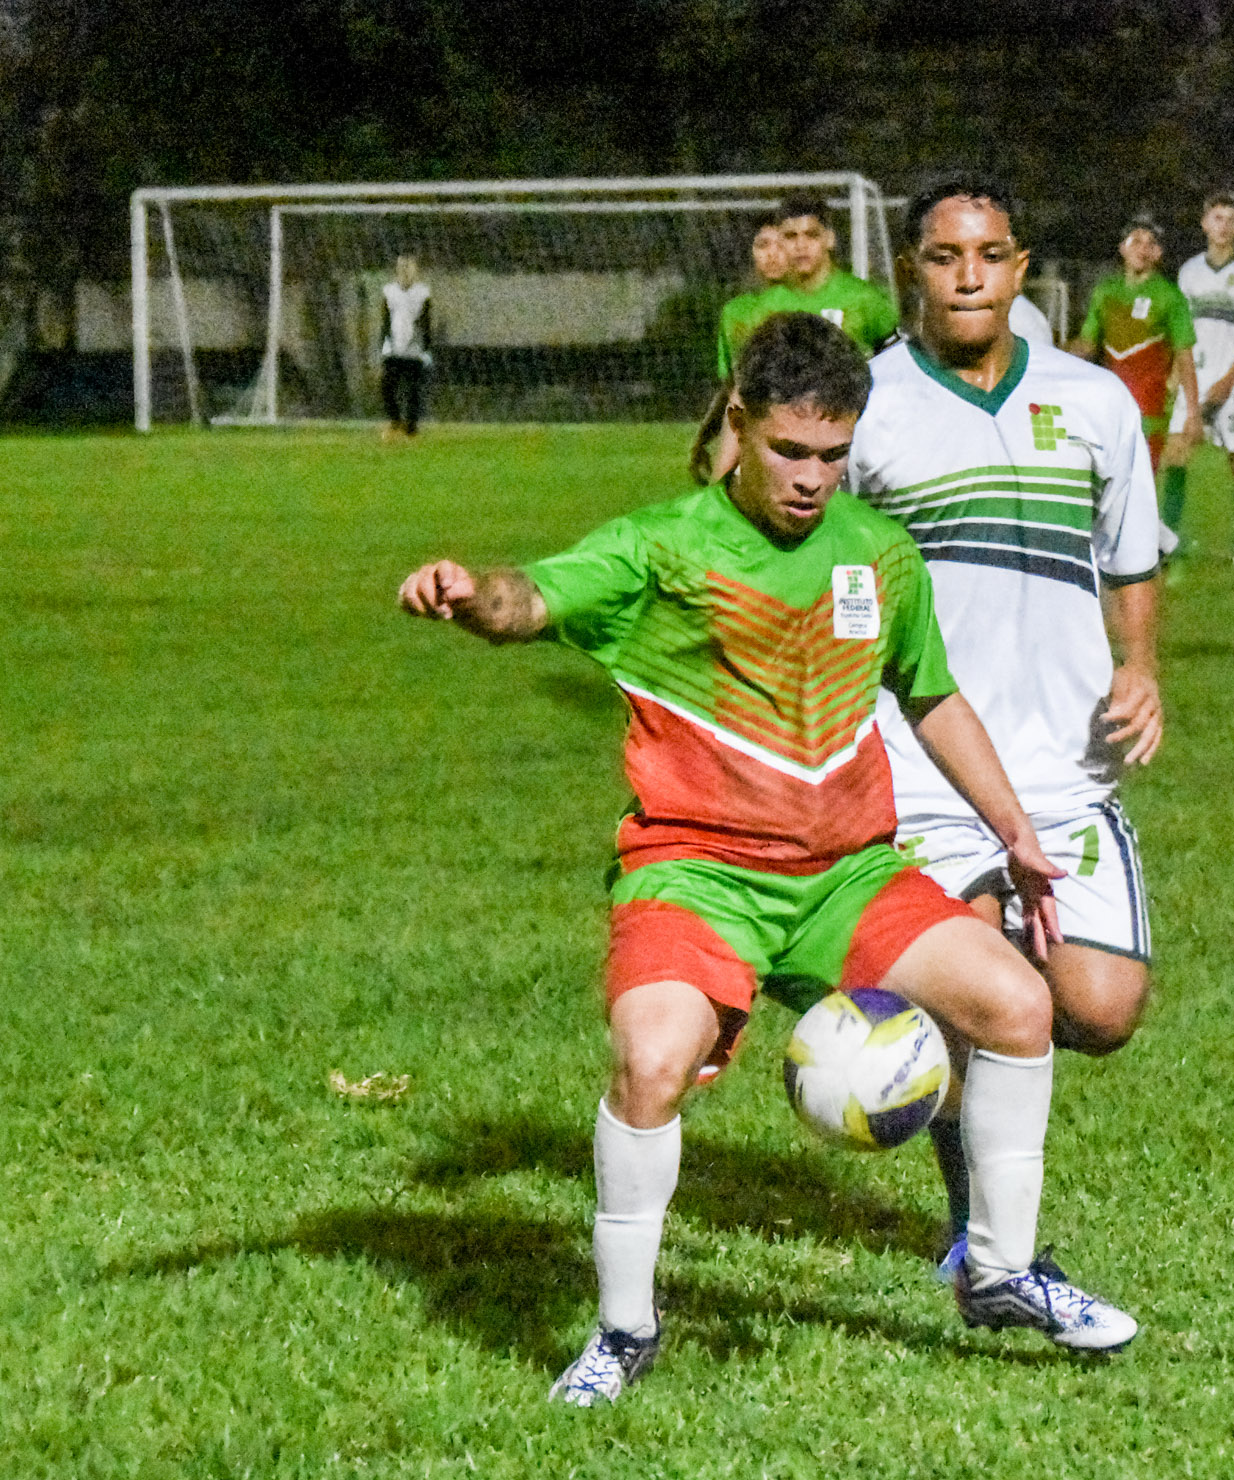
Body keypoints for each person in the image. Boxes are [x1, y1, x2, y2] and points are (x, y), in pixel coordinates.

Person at [398, 314, 1139, 1407]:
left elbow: (928, 696)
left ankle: (999, 1270)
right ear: (738, 426)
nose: (810, 479)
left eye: (833, 455)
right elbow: (531, 599)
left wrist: (1015, 834)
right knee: (650, 1064)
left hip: (844, 875)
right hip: (695, 874)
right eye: (790, 452)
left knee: (1016, 1005)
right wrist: (472, 598)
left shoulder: (876, 557)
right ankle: (622, 1329)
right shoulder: (661, 549)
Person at [846, 175, 1164, 1278]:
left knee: (1102, 1006)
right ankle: (980, 1234)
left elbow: (1130, 556)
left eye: (989, 255)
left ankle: (944, 1052)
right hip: (923, 762)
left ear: (1021, 269)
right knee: (984, 991)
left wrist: (1140, 667)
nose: (968, 275)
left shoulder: (1092, 402)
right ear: (912, 274)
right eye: (944, 257)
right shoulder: (867, 407)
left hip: (1065, 767)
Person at [699, 194, 904, 482]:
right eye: (790, 236)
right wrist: (719, 476)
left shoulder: (864, 300)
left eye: (811, 235)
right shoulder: (761, 311)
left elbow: (897, 374)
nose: (800, 245)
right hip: (790, 452)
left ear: (829, 239)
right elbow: (742, 396)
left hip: (861, 446)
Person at [1159, 192, 1234, 565]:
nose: (1222, 226)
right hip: (1197, 378)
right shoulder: (1188, 273)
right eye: (1216, 218)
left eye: (1230, 219)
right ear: (1204, 223)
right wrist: (1176, 373)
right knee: (1176, 455)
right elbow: (1182, 330)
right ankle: (1168, 544)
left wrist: (1229, 379)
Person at [1070, 213, 1201, 473]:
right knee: (1105, 476)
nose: (1143, 248)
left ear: (1158, 253)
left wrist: (1193, 413)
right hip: (1109, 400)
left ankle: (1150, 515)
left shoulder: (1169, 297)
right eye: (1136, 241)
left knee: (1141, 478)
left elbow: (1184, 355)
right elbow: (1087, 343)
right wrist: (1055, 357)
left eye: (1150, 243)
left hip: (1150, 402)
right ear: (1122, 248)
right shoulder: (1106, 290)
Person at [690, 212, 792, 483]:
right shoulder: (736, 311)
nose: (772, 254)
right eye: (762, 245)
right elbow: (733, 385)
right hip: (754, 429)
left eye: (781, 245)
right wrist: (703, 437)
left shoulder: (818, 304)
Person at [379, 254, 433, 439]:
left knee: (414, 390)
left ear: (415, 270)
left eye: (409, 267)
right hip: (394, 347)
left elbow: (426, 322)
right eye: (402, 267)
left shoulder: (422, 293)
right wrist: (384, 343)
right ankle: (395, 421)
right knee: (387, 386)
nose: (405, 271)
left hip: (414, 348)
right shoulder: (389, 291)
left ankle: (411, 427)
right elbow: (385, 319)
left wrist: (426, 348)